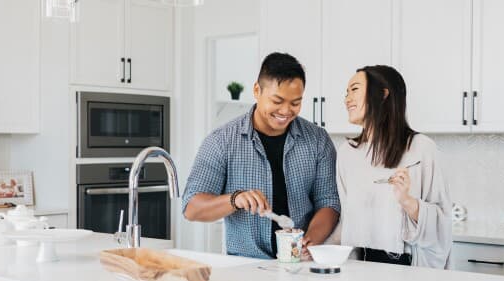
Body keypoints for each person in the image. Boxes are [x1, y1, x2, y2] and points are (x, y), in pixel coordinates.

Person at [183, 52, 340, 259]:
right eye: (277, 101)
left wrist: (310, 240)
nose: (286, 111)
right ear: (257, 91)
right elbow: (192, 208)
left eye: (295, 103)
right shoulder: (222, 141)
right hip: (245, 267)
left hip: (302, 265)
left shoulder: (318, 140)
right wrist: (235, 199)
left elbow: (329, 203)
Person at [337, 65, 451, 268]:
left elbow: (442, 227)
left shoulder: (421, 148)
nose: (347, 99)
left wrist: (407, 201)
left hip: (407, 268)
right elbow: (345, 220)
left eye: (354, 90)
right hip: (359, 268)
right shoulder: (347, 153)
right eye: (346, 93)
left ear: (382, 95)